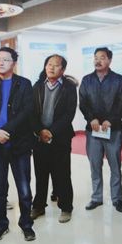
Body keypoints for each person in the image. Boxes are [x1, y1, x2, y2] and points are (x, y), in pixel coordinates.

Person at [0, 47, 35, 242]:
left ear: (14, 63)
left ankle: (26, 224)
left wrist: (5, 131)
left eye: (5, 59)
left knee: (24, 189)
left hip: (19, 144)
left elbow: (27, 111)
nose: (0, 62)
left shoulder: (24, 84)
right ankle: (1, 225)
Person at [30, 54, 78, 223]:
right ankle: (38, 206)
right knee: (40, 174)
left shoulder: (69, 87)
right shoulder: (37, 86)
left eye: (56, 65)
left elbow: (69, 114)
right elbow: (31, 112)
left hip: (60, 138)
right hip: (39, 138)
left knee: (62, 174)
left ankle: (66, 207)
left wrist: (51, 132)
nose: (51, 67)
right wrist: (40, 131)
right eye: (49, 64)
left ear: (62, 70)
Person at [79, 47, 122, 213]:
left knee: (115, 166)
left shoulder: (119, 80)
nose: (98, 61)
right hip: (93, 130)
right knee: (95, 165)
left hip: (113, 129)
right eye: (96, 57)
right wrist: (91, 118)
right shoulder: (87, 80)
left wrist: (110, 120)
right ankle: (96, 198)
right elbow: (83, 102)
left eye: (102, 57)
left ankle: (117, 199)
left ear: (110, 60)